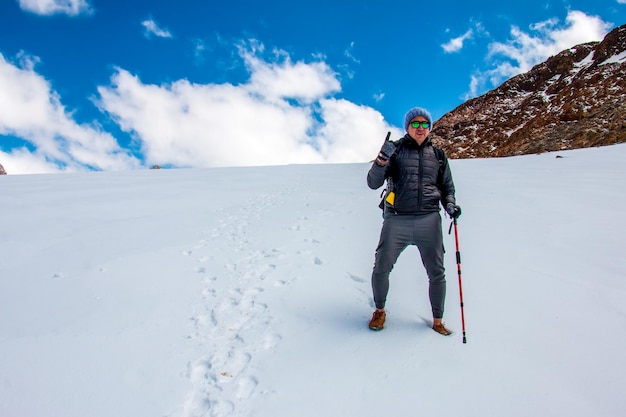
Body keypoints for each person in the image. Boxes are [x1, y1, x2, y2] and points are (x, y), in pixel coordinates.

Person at [366, 106, 461, 335]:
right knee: (381, 267)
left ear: (429, 127)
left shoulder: (438, 156)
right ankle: (379, 311)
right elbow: (372, 183)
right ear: (407, 127)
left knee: (437, 272)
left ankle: (437, 320)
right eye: (415, 124)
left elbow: (447, 187)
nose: (420, 128)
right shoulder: (395, 150)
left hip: (429, 220)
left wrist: (450, 204)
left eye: (424, 124)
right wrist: (381, 160)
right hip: (397, 219)